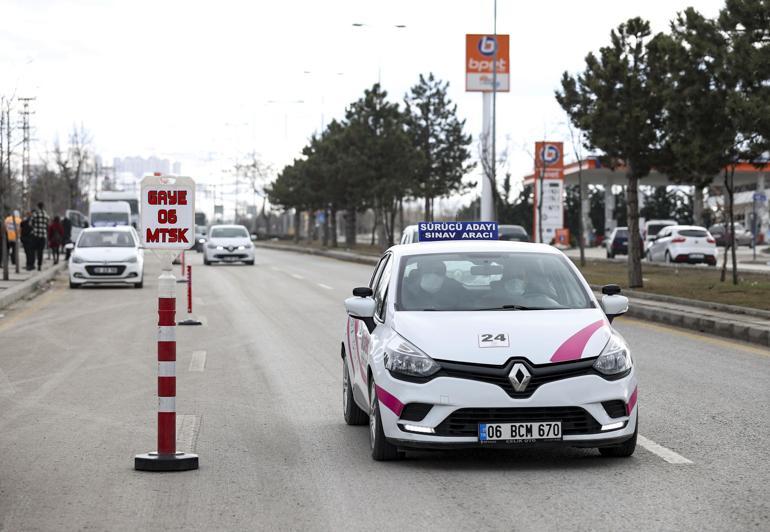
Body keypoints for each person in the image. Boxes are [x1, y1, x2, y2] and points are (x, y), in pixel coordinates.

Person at [30, 202, 49, 271]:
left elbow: (30, 223)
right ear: (43, 206)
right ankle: (39, 265)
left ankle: (32, 263)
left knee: (33, 250)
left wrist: (34, 227)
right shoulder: (46, 215)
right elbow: (47, 224)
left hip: (36, 235)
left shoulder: (35, 214)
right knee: (40, 251)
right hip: (43, 235)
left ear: (38, 207)